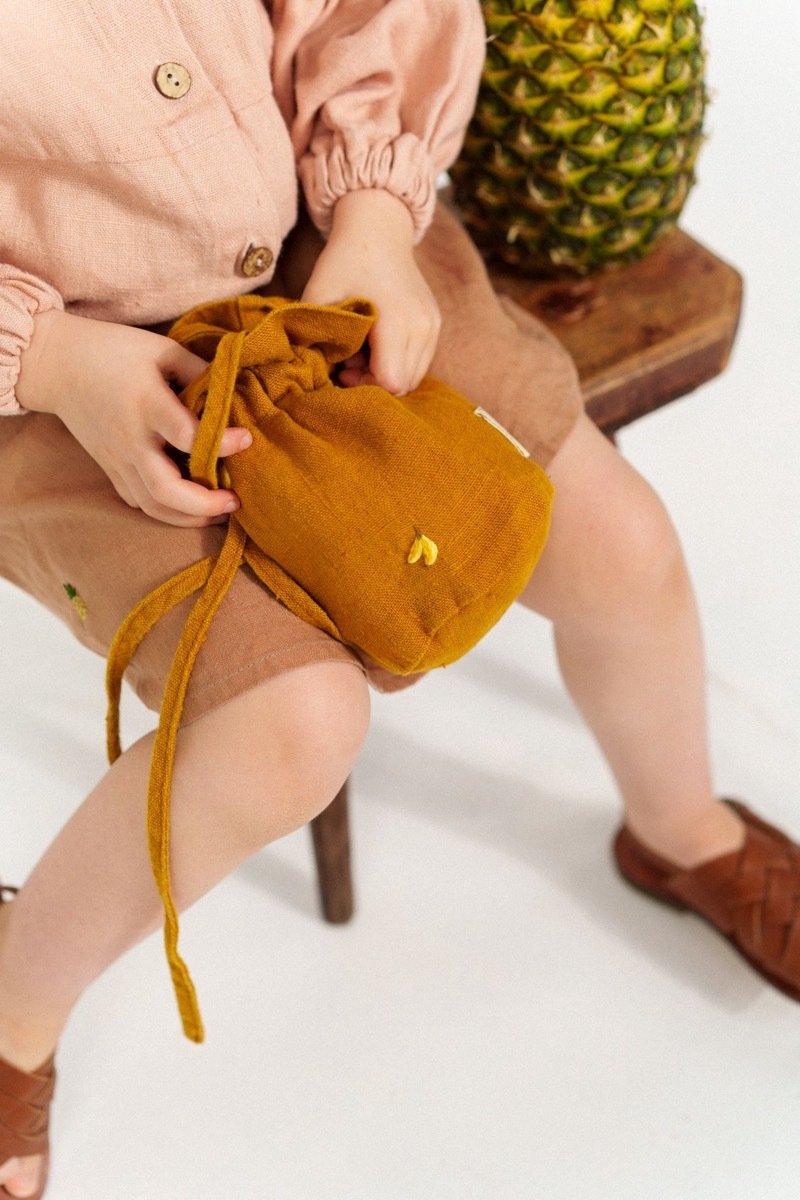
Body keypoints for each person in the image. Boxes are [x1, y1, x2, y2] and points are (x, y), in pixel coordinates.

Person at [1, 2, 799, 1196]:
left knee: (620, 548)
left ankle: (682, 830)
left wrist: (373, 207)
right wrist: (51, 357)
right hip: (68, 382)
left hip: (327, 235)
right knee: (289, 727)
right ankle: (15, 1004)